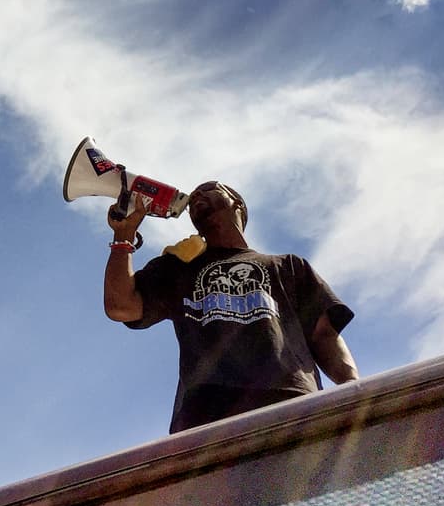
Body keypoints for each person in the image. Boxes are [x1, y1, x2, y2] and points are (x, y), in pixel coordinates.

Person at [104, 180, 358, 433]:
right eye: (193, 196)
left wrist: (354, 389)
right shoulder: (177, 268)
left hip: (290, 402)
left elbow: (324, 335)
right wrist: (123, 237)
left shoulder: (288, 266)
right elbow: (121, 306)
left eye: (208, 190)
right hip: (204, 415)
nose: (196, 196)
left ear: (236, 203)